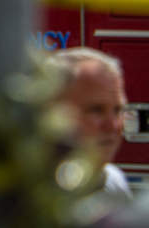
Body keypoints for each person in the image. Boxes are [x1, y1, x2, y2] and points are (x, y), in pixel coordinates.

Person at [45, 48, 132, 202]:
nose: (112, 126)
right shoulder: (21, 202)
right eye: (96, 110)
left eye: (118, 110)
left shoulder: (114, 183)